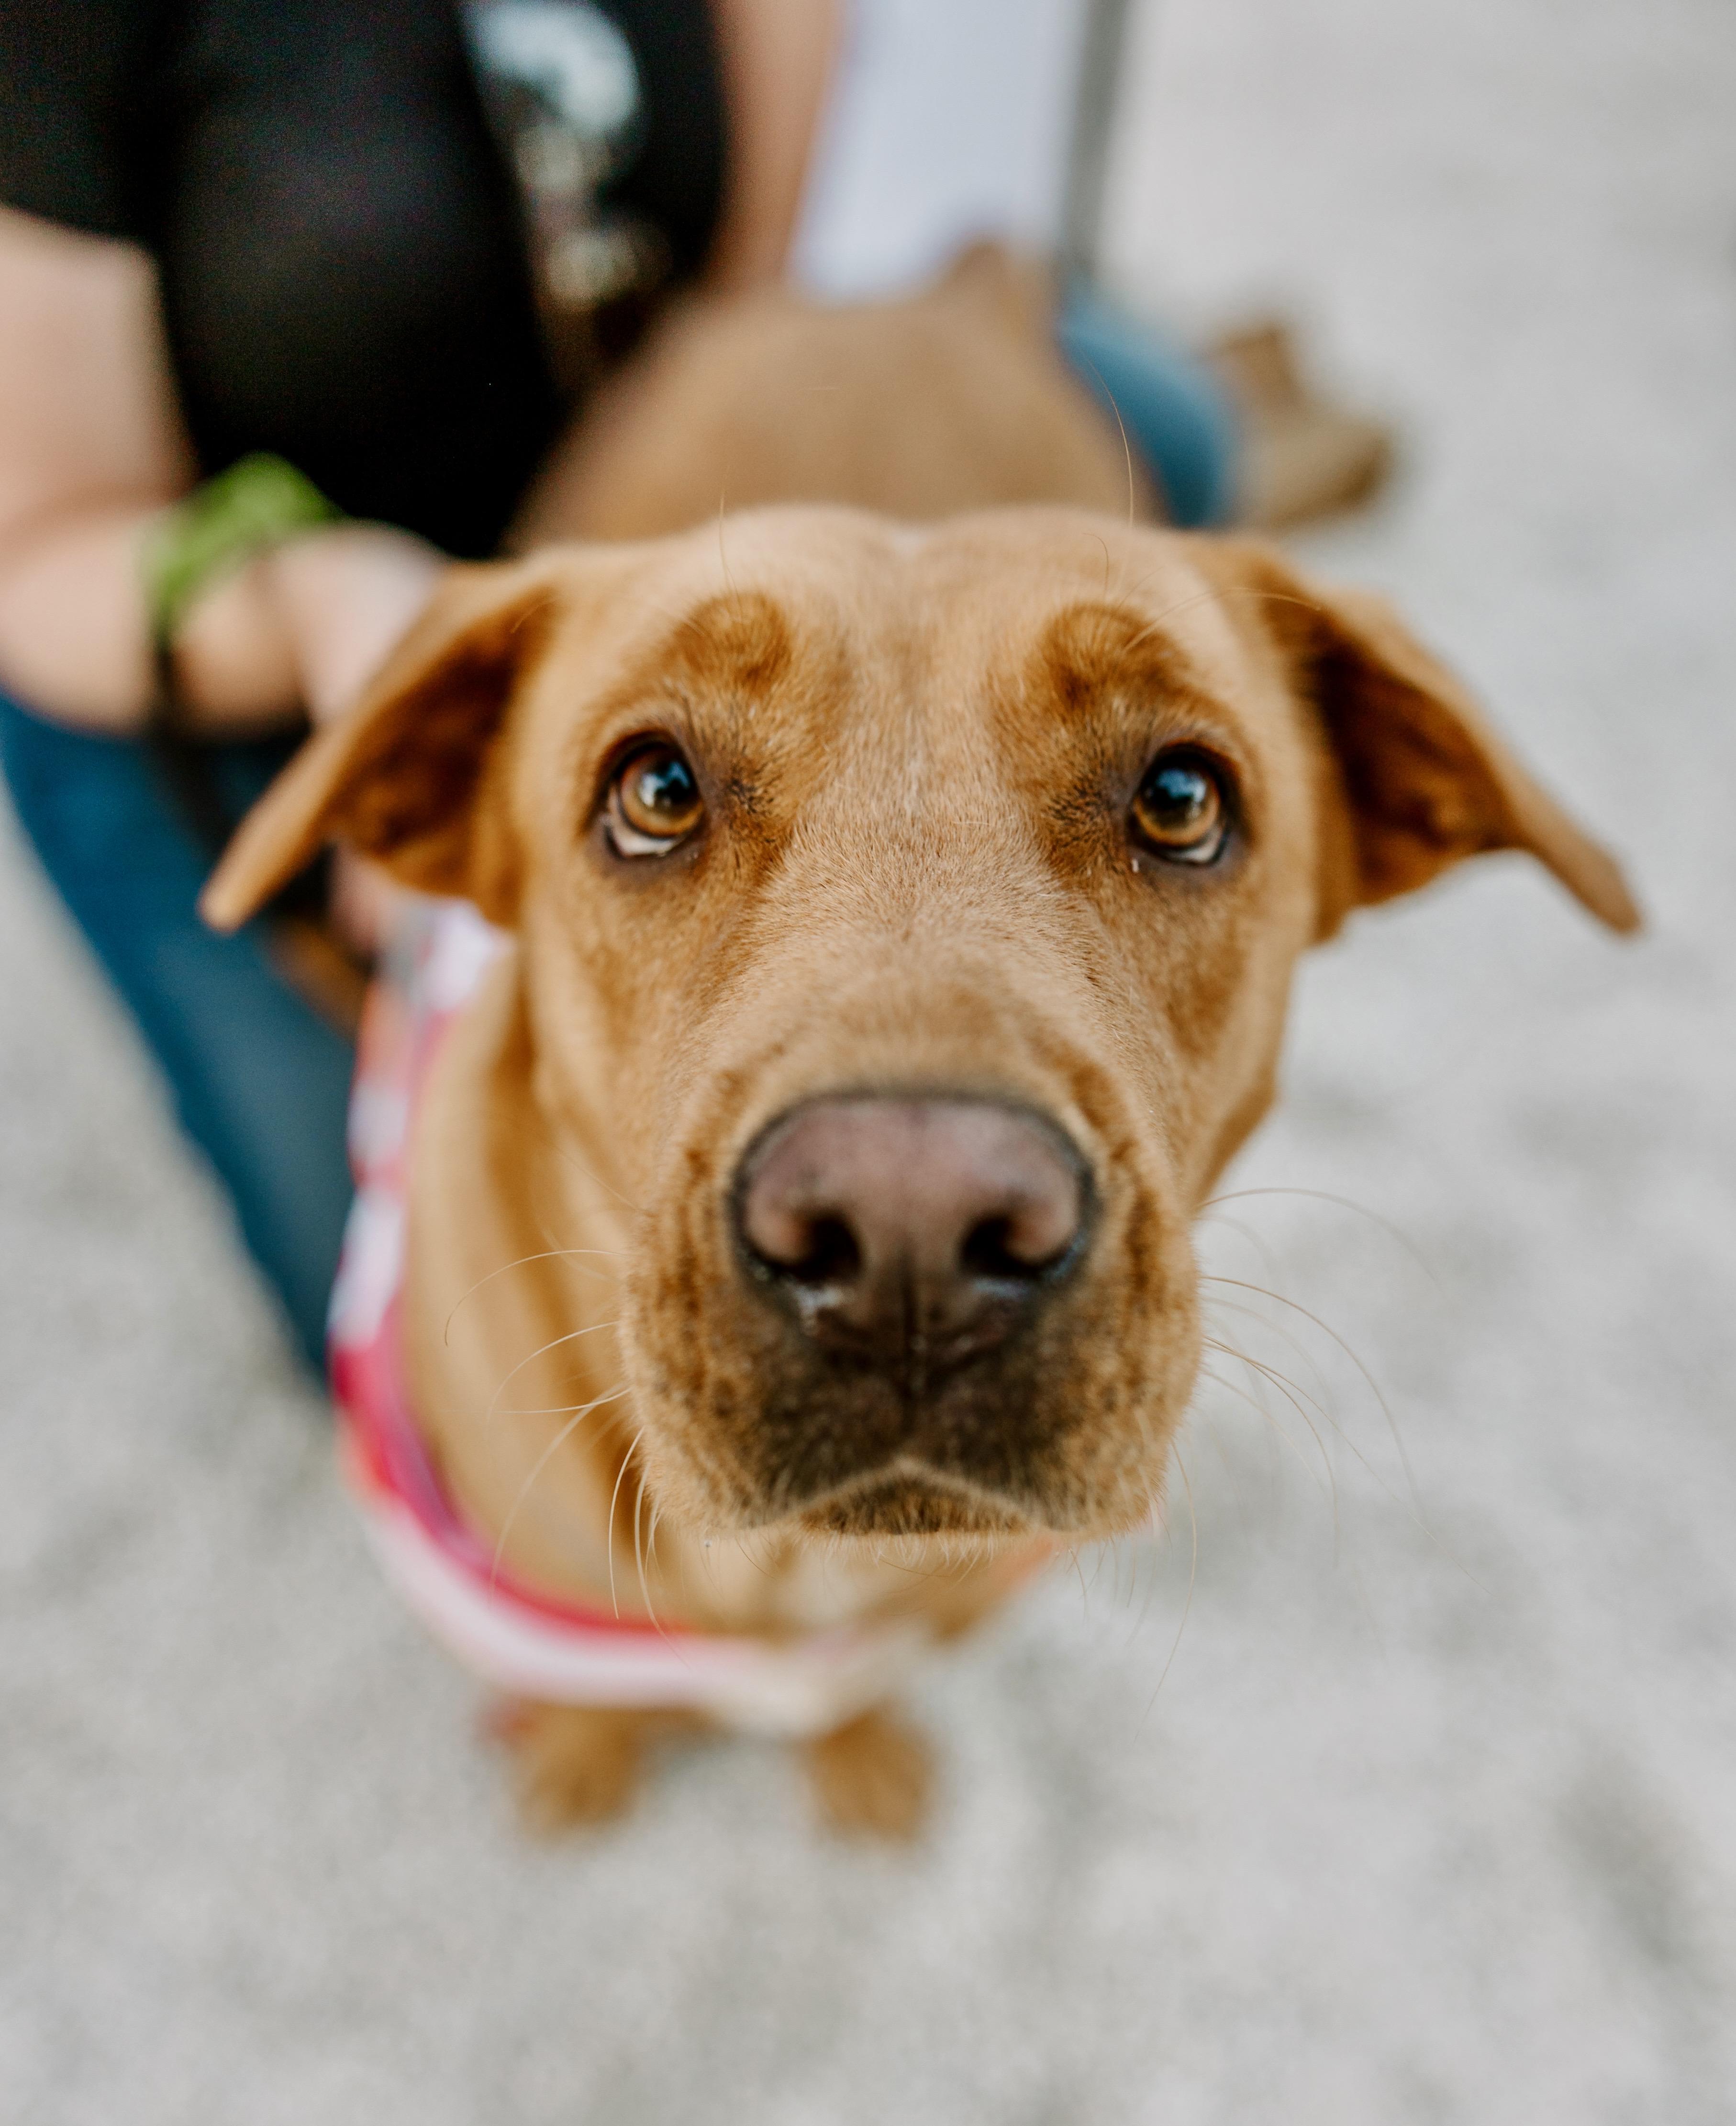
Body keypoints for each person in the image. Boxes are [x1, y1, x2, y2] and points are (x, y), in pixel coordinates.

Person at [0, 0, 1255, 1372]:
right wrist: (325, 601)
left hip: (596, 499)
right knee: (433, 1321)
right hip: (212, 611)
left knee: (1165, 438)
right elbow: (39, 550)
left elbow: (738, 311)